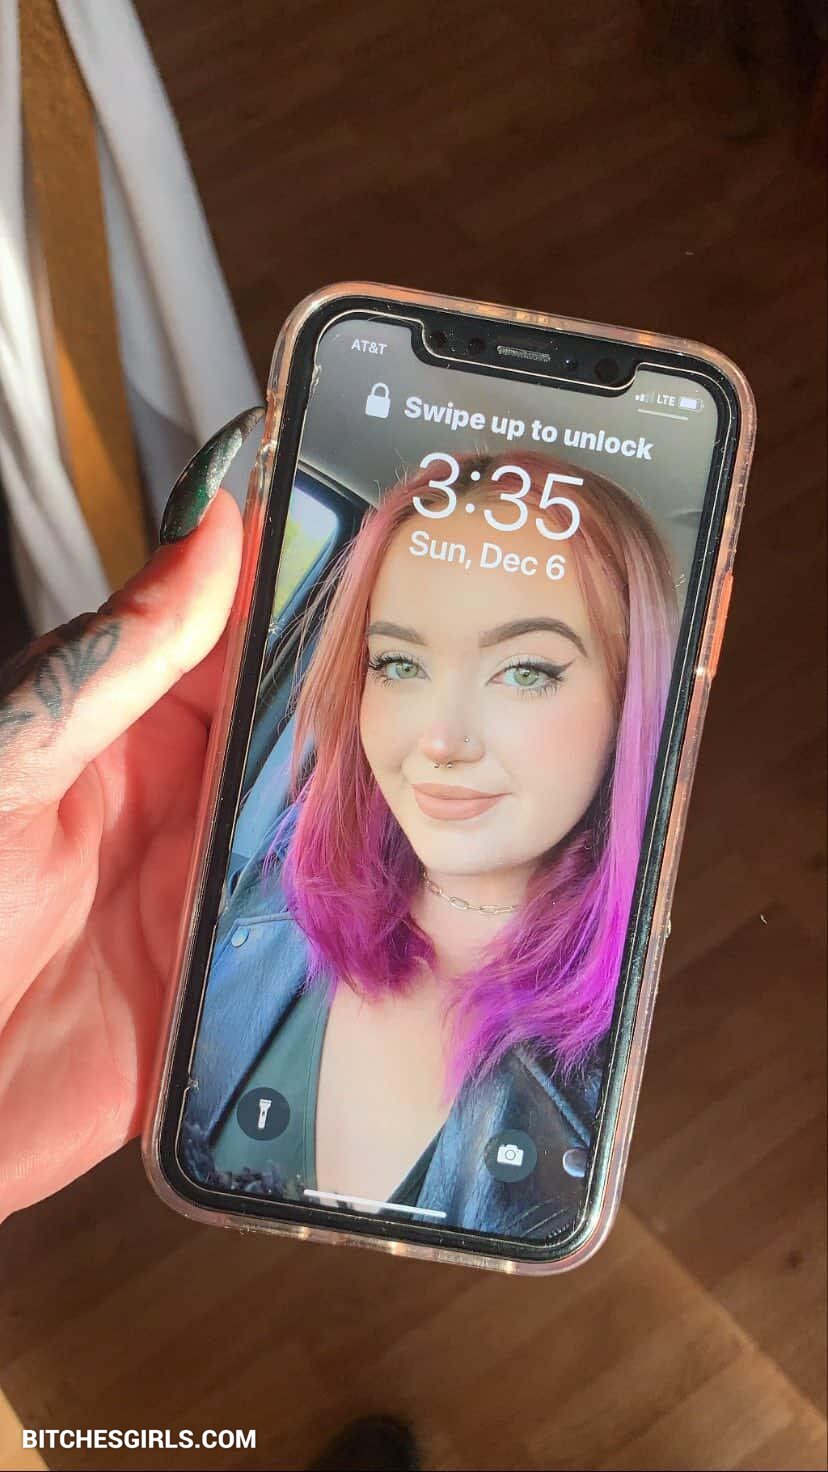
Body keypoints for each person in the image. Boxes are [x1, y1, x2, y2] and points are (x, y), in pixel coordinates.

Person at [182, 449, 678, 1237]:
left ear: (630, 703)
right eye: (399, 663)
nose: (440, 741)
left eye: (525, 671)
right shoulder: (263, 904)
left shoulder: (626, 1064)